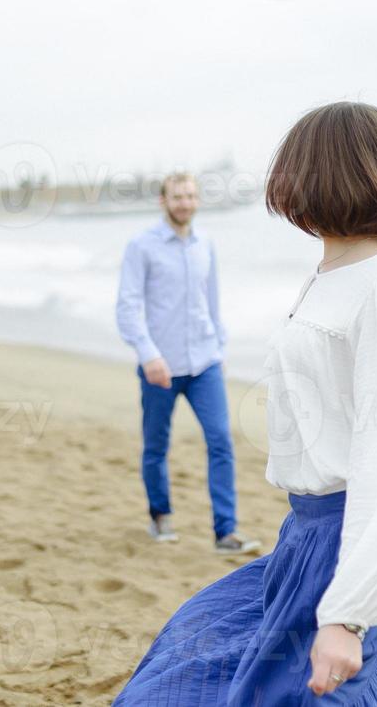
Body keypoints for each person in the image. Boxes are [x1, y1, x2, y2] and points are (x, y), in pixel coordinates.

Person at [114, 102, 377, 705]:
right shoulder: (330, 272)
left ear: (333, 178)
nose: (284, 189)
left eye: (295, 172)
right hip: (302, 537)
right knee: (186, 656)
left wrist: (350, 615)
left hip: (345, 543)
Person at [115, 171, 260, 555]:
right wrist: (149, 355)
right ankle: (160, 516)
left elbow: (211, 303)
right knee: (157, 446)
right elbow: (127, 309)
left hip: (205, 363)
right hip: (159, 367)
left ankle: (225, 532)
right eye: (177, 196)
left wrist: (220, 350)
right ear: (163, 201)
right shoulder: (141, 246)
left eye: (191, 196)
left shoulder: (205, 244)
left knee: (221, 441)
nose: (185, 203)